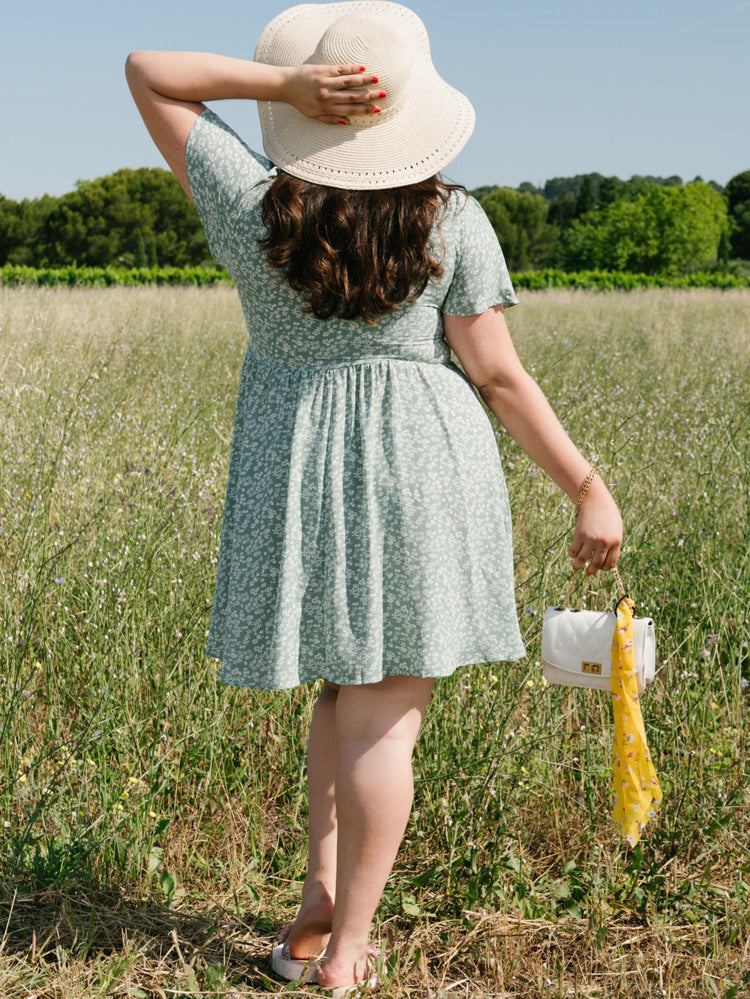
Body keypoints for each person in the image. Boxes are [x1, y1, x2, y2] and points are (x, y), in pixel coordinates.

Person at [126, 2, 622, 993]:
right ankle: (349, 949)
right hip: (423, 470)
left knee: (343, 693)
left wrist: (279, 88)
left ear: (315, 109)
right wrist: (587, 486)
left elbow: (147, 69)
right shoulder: (452, 218)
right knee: (384, 717)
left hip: (295, 463)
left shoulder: (250, 200)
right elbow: (500, 379)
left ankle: (320, 903)